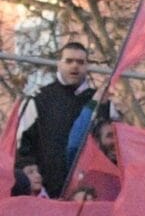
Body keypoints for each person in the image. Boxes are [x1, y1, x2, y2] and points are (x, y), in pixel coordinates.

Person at [21, 42, 98, 197]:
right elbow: (23, 145)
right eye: (69, 61)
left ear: (87, 66)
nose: (75, 66)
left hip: (90, 193)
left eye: (80, 62)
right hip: (49, 192)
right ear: (59, 64)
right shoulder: (39, 99)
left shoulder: (101, 102)